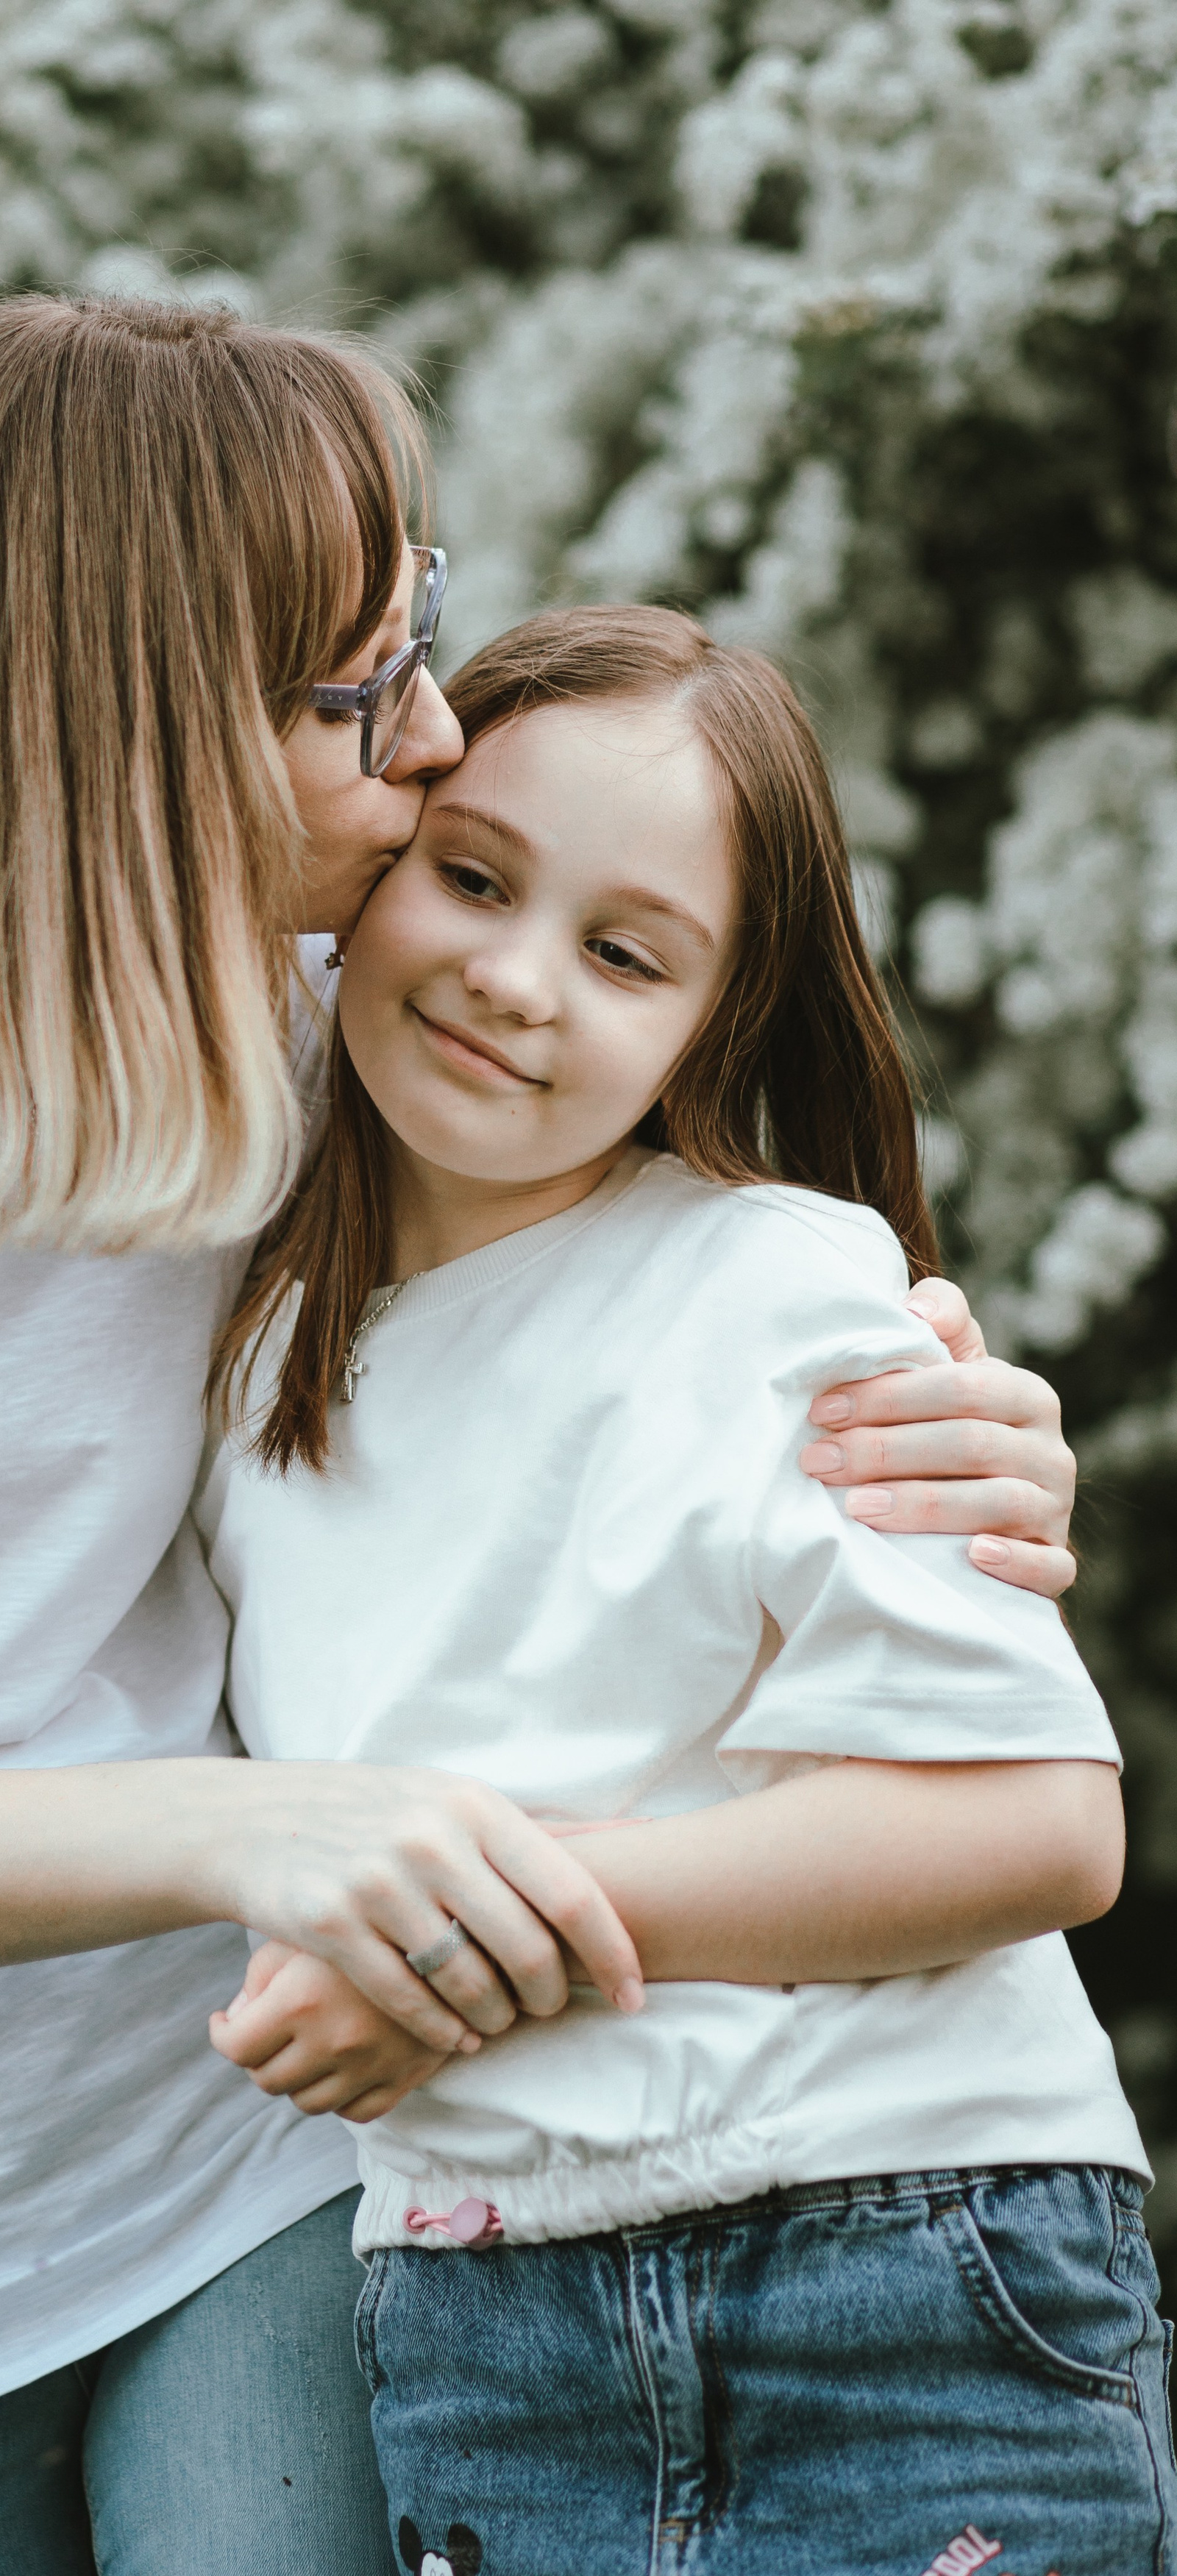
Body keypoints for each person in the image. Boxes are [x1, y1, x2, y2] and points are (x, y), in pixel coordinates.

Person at [0, 299, 1083, 2576]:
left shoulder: (330, 994)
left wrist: (924, 1414)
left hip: (261, 2141)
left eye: (426, 642)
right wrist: (264, 1831)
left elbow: (634, 1284)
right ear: (123, 717)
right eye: (349, 694)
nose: (433, 741)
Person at [198, 605, 1169, 2574]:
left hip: (892, 2252)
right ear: (370, 870)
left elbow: (1045, 1824)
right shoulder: (248, 1353)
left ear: (710, 1029)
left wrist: (461, 1950)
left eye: (624, 953)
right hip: (487, 2309)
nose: (514, 979)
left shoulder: (777, 1288)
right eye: (472, 879)